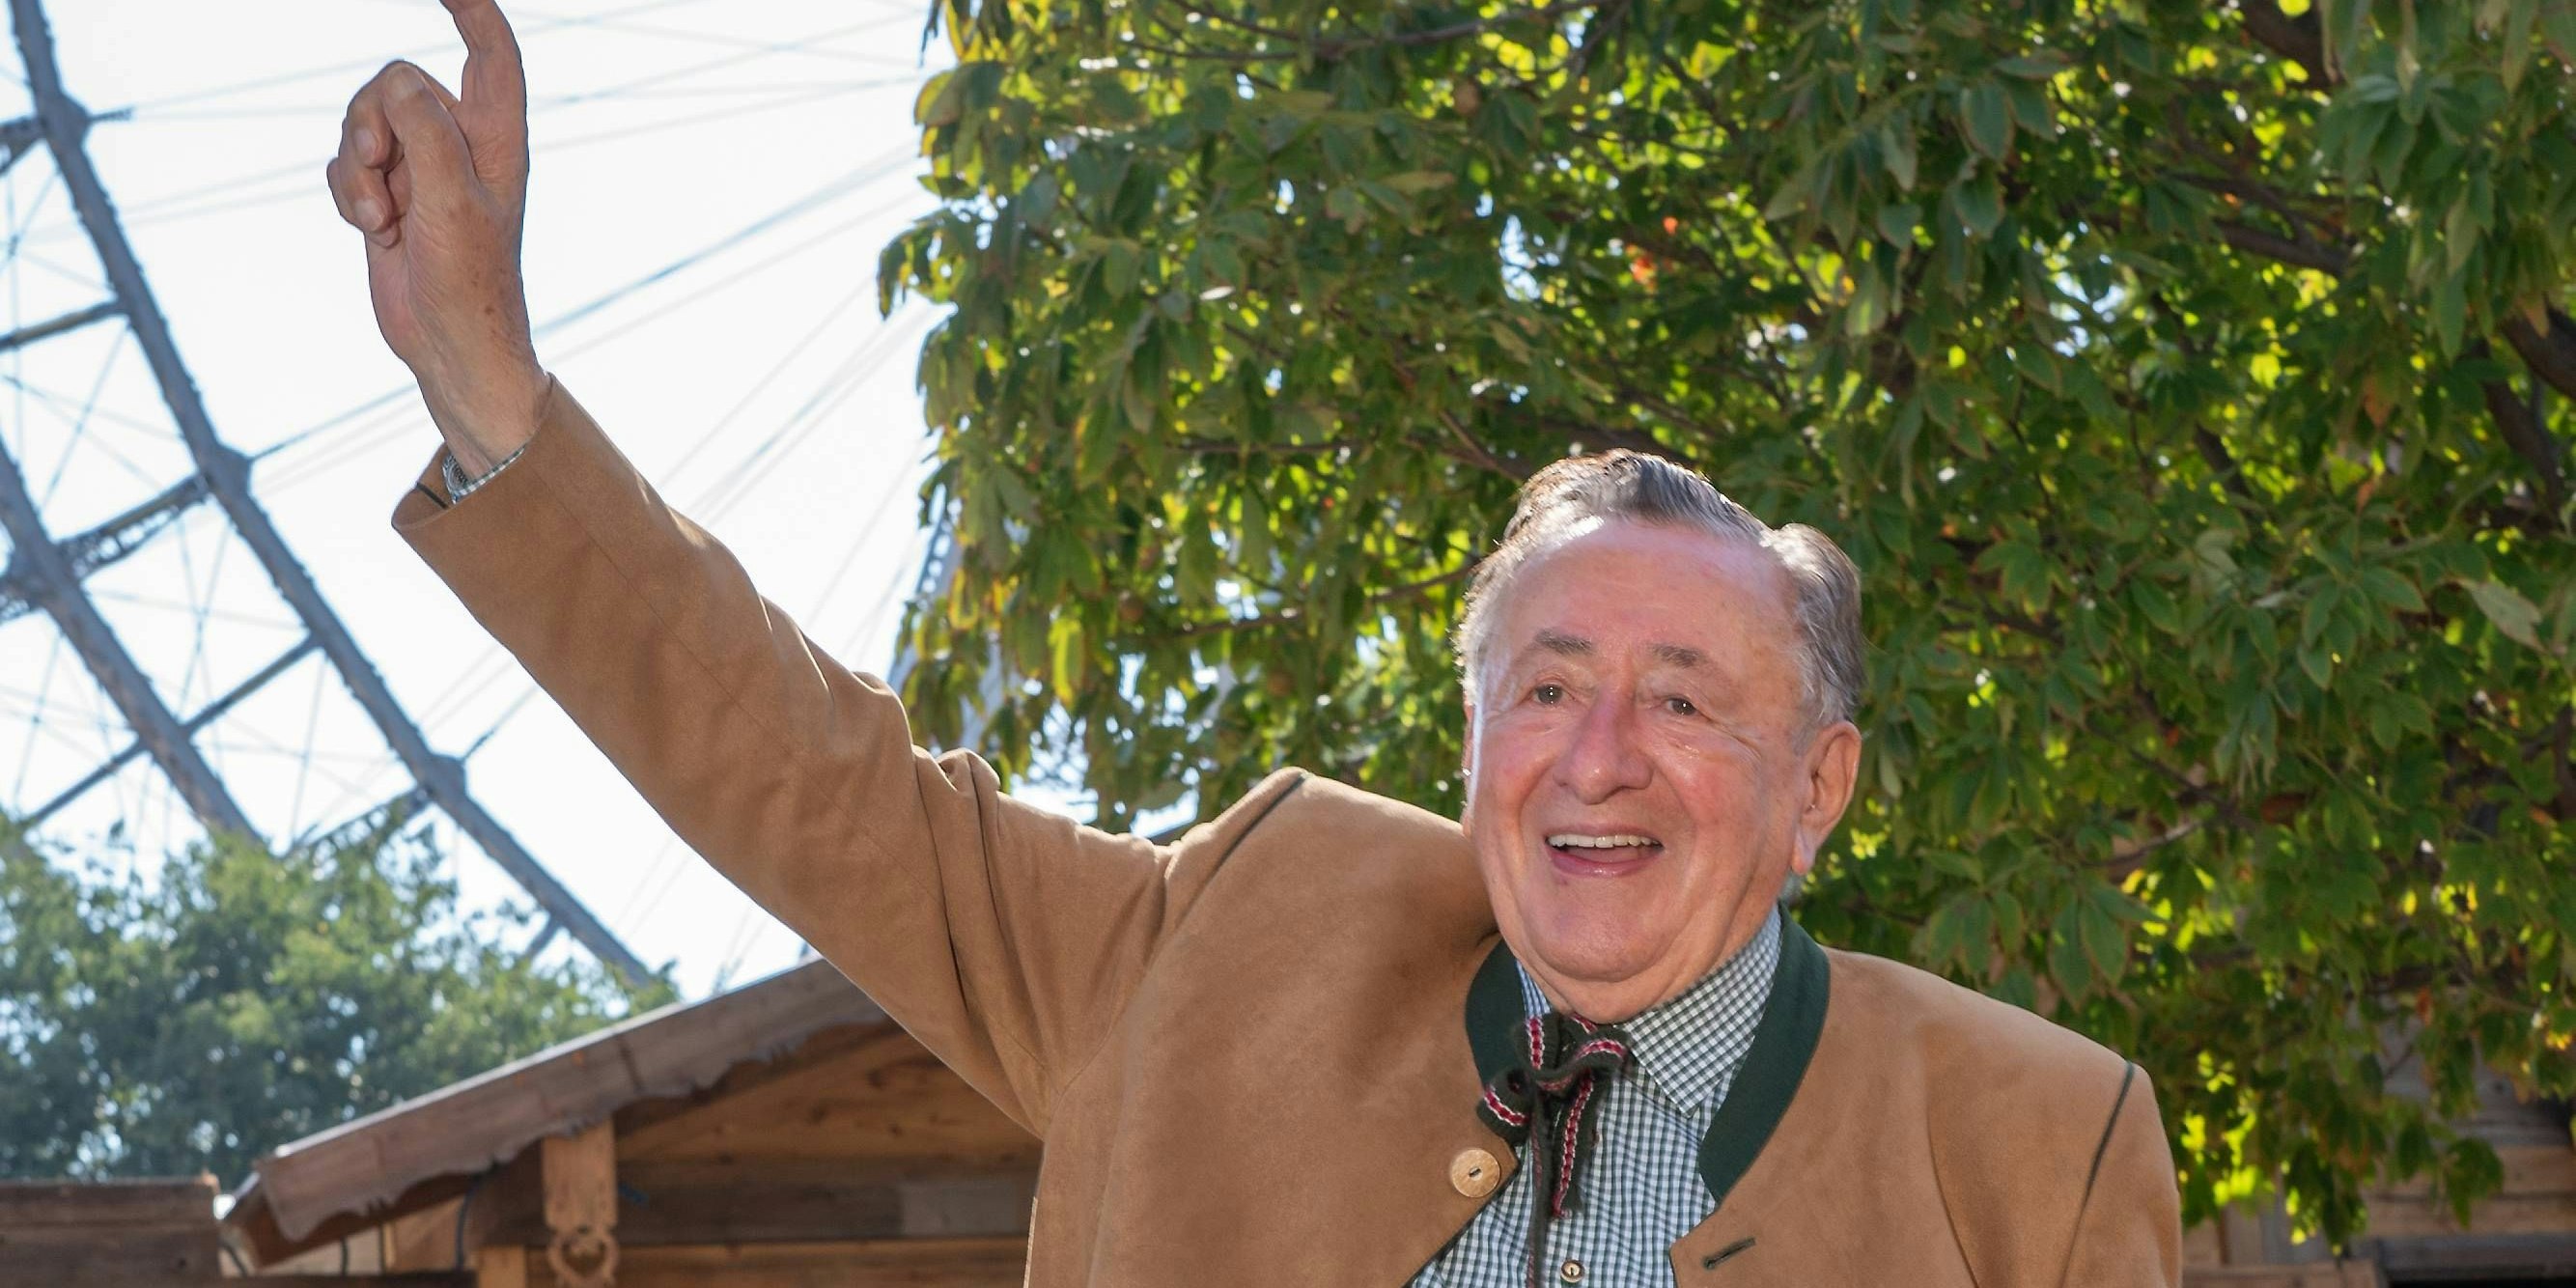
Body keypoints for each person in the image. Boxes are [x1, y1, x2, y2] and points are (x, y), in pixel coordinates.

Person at [328, 2, 2184, 1283]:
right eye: (1546, 685)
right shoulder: (1227, 946)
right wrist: (495, 391)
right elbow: (820, 786)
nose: (1597, 750)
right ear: (1474, 748)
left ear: (1817, 789)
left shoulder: (2033, 1138)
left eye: (1683, 698)